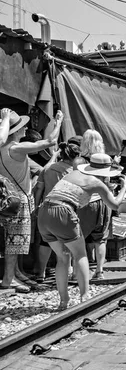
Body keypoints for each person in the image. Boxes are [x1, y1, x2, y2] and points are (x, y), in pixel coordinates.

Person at [38, 153, 126, 310]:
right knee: (80, 254)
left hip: (44, 212)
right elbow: (115, 205)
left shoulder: (72, 174)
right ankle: (84, 297)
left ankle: (63, 301)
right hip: (63, 211)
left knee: (62, 257)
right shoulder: (96, 183)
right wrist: (123, 187)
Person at [0, 109, 62, 293]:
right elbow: (50, 141)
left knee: (14, 241)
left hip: (9, 200)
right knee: (14, 241)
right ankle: (8, 279)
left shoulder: (6, 150)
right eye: (21, 126)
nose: (25, 128)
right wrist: (58, 122)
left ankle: (15, 274)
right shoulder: (15, 148)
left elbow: (39, 170)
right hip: (19, 200)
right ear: (14, 131)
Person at [33, 141, 81, 282]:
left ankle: (41, 273)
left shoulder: (48, 168)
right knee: (70, 241)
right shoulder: (75, 171)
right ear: (77, 156)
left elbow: (39, 189)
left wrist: (36, 208)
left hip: (46, 208)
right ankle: (70, 273)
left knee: (45, 242)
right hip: (67, 208)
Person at [73, 129, 115, 280]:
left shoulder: (80, 161)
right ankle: (100, 271)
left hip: (86, 202)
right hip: (104, 202)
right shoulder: (105, 160)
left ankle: (76, 273)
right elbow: (109, 183)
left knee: (78, 237)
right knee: (100, 239)